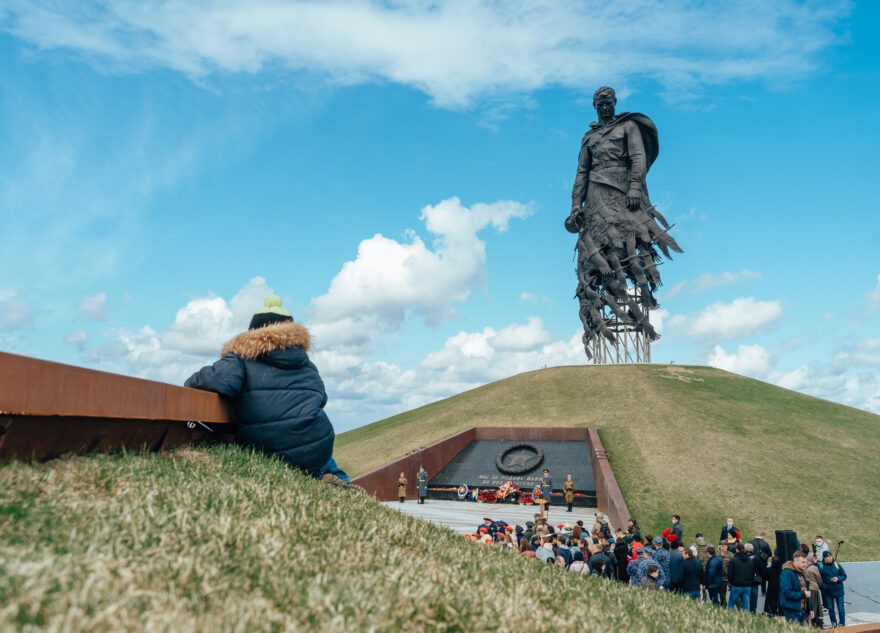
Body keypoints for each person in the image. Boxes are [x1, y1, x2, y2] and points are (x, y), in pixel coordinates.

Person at [183, 295, 352, 486]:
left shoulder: (240, 358)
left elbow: (220, 382)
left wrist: (190, 381)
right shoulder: (307, 365)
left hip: (268, 449)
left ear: (252, 331)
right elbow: (321, 398)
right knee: (326, 461)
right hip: (316, 448)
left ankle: (332, 479)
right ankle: (342, 482)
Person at [779, 551, 811, 624]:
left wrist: (810, 609)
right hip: (791, 611)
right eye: (803, 562)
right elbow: (787, 593)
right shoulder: (787, 573)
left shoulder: (802, 573)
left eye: (806, 562)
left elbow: (807, 592)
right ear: (796, 561)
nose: (805, 564)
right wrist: (803, 595)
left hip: (803, 612)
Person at [819, 551, 847, 627]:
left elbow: (844, 575)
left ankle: (842, 622)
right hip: (828, 592)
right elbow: (819, 580)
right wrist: (825, 587)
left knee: (841, 608)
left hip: (839, 591)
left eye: (831, 556)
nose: (830, 558)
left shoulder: (836, 564)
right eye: (828, 557)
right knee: (830, 608)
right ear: (824, 558)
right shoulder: (821, 567)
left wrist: (838, 578)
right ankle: (833, 622)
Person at [727, 544, 753, 611]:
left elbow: (729, 573)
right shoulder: (750, 561)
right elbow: (752, 573)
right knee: (746, 606)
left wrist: (731, 582)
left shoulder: (734, 560)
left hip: (736, 585)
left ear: (736, 550)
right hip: (747, 585)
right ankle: (746, 619)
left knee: (731, 605)